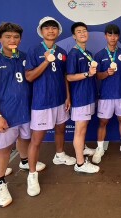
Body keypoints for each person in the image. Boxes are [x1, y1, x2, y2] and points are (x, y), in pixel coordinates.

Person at [0, 22, 32, 207]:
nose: (12, 40)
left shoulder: (24, 57)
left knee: (25, 139)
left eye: (16, 37)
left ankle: (25, 161)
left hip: (25, 111)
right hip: (5, 114)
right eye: (8, 37)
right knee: (3, 150)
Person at [25, 17, 76, 196]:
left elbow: (65, 76)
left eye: (54, 28)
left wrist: (68, 97)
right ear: (41, 31)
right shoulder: (34, 50)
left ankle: (60, 155)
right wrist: (46, 61)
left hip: (60, 100)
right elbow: (29, 77)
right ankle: (32, 174)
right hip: (41, 103)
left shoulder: (62, 51)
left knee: (61, 129)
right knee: (37, 140)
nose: (51, 31)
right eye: (47, 28)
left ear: (58, 31)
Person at [92, 24, 121, 163]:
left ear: (118, 36)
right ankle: (99, 148)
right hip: (106, 95)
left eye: (115, 35)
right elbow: (96, 76)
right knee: (103, 122)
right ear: (105, 36)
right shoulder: (99, 55)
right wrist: (106, 73)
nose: (113, 37)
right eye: (110, 35)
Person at [66, 22, 100, 173]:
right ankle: (80, 163)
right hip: (80, 98)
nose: (82, 33)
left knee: (84, 128)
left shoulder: (89, 53)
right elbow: (69, 77)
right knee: (80, 130)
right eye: (78, 32)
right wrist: (87, 74)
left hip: (89, 95)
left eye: (84, 31)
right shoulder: (73, 54)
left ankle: (83, 148)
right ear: (74, 36)